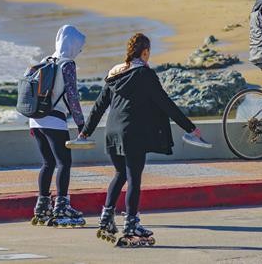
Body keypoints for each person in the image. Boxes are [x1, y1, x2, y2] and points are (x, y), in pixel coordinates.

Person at [79, 33, 202, 247]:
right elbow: (165, 103)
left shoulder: (115, 73)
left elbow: (99, 105)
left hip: (112, 132)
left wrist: (86, 132)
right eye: (148, 53)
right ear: (144, 52)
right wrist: (190, 127)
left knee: (120, 174)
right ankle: (131, 225)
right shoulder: (144, 74)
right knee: (134, 178)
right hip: (133, 134)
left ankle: (106, 218)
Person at [30, 25, 87, 227]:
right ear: (72, 45)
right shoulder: (67, 64)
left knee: (48, 163)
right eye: (79, 46)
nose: (79, 51)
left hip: (35, 120)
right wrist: (82, 125)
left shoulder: (46, 60)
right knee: (64, 162)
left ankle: (42, 206)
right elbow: (72, 97)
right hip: (54, 119)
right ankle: (61, 206)